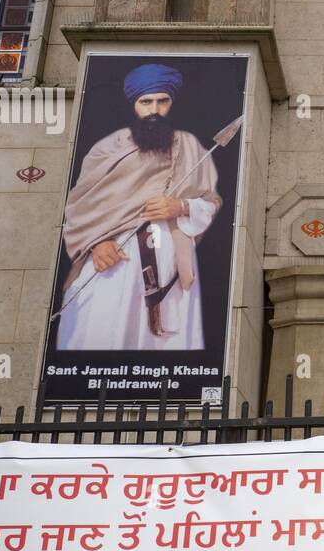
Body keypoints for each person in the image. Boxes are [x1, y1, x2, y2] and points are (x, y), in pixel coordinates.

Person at [56, 63, 222, 350]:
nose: (155, 109)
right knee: (102, 333)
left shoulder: (189, 146)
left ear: (172, 103)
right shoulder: (107, 149)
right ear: (134, 104)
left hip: (170, 257)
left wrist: (180, 206)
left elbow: (211, 202)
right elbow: (79, 208)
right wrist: (96, 244)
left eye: (163, 101)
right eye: (146, 102)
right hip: (112, 259)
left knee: (165, 344)